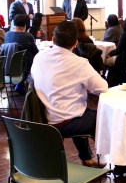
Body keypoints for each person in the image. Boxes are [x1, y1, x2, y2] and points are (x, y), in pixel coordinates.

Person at [31, 20, 107, 167]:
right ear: (75, 43)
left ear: (53, 39)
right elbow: (103, 88)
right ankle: (122, 163)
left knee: (79, 108)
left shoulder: (39, 57)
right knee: (104, 117)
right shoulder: (79, 63)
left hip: (43, 115)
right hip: (65, 120)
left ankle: (87, 158)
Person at [4, 14, 39, 91]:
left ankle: (18, 83)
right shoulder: (28, 36)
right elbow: (36, 52)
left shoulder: (7, 35)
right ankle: (21, 83)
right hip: (23, 66)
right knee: (32, 56)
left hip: (8, 65)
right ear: (25, 25)